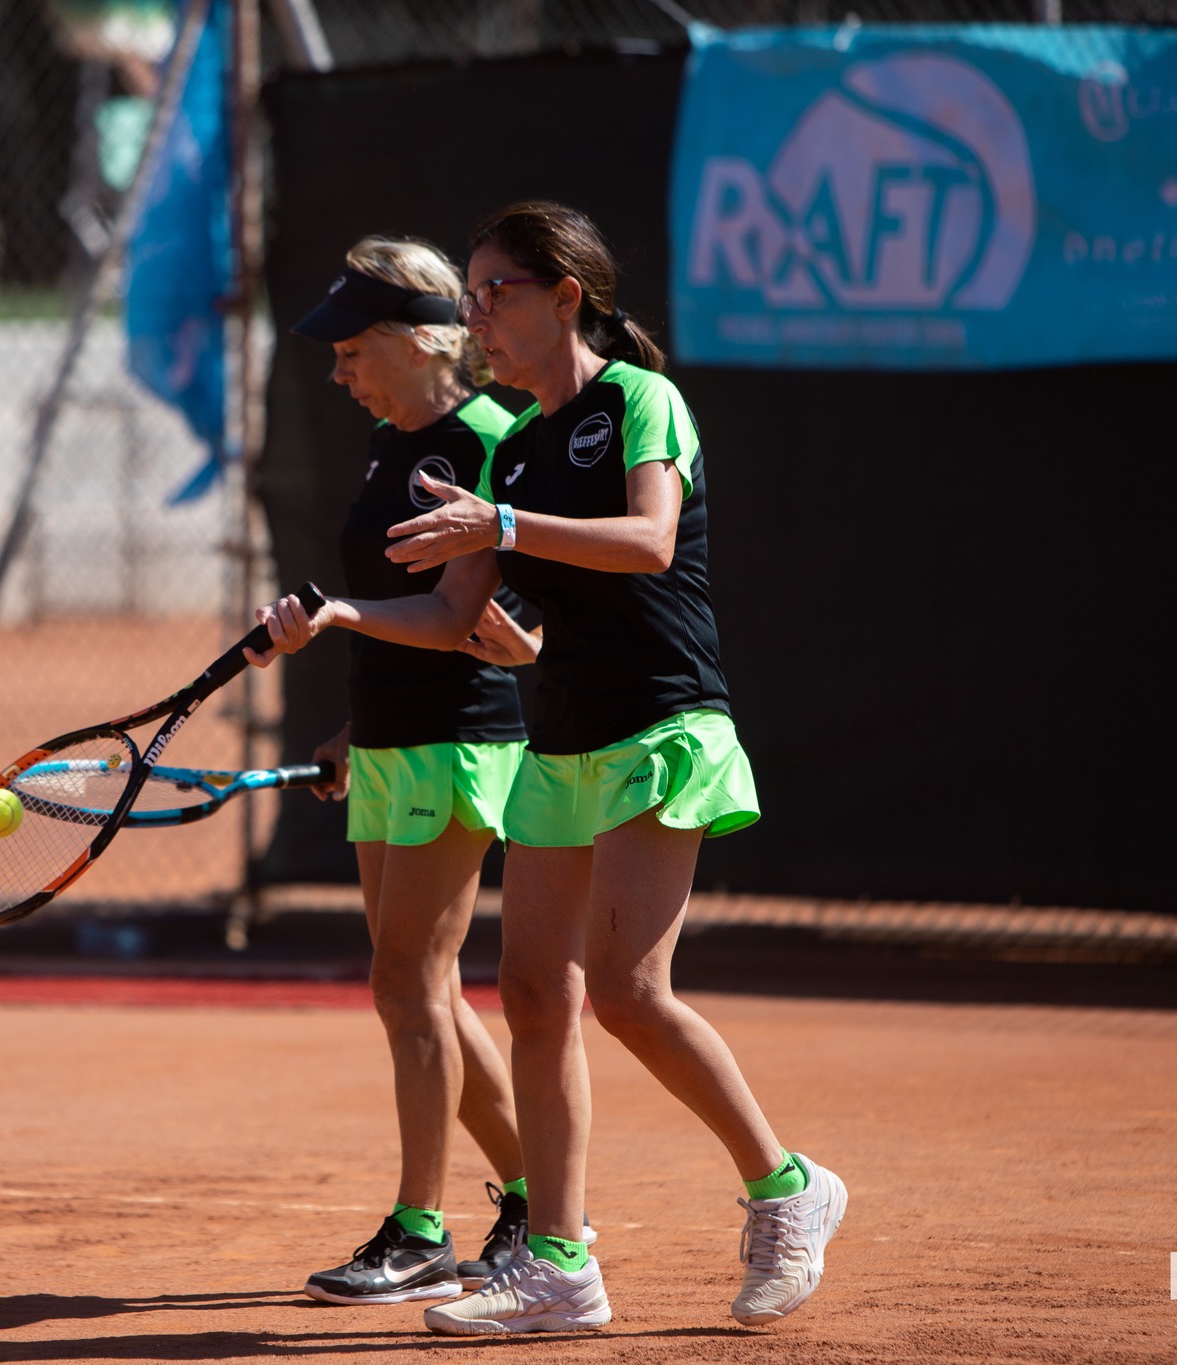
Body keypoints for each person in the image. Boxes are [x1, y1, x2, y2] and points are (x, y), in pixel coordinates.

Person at [249, 202, 846, 1336]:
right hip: (559, 738)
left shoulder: (636, 402)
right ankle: (559, 1267)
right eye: (468, 294)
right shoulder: (513, 445)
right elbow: (474, 617)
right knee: (532, 997)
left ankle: (784, 1188)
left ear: (564, 296)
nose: (475, 315)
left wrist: (503, 529)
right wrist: (441, 629)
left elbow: (650, 541)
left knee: (626, 990)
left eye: (494, 293)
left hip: (661, 722)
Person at [265, 237, 544, 1308]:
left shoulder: (482, 439)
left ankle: (421, 1230)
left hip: (457, 743)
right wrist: (347, 729)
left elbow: (455, 615)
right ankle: (532, 1201)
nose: (337, 373)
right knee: (422, 989)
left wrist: (334, 617)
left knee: (404, 985)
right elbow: (391, 621)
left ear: (409, 340)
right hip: (386, 746)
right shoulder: (391, 442)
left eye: (349, 350)